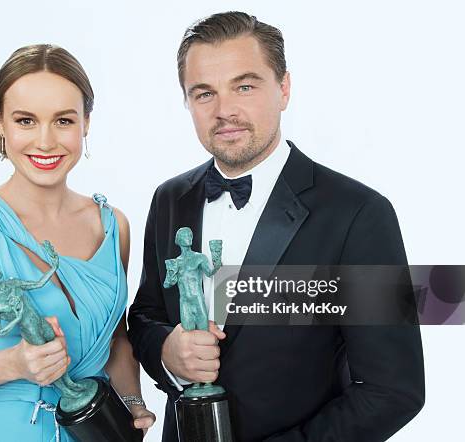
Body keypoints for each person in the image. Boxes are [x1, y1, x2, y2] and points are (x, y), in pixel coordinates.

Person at [127, 11, 424, 442]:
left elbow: (393, 391)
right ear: (187, 101)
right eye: (204, 93)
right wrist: (167, 352)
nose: (224, 110)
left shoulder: (360, 214)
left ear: (283, 88)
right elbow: (147, 314)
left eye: (244, 86)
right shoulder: (170, 198)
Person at [0, 44, 155, 441]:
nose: (45, 142)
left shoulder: (113, 226)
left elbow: (116, 339)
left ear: (86, 123)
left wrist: (130, 403)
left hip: (99, 431)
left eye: (63, 120)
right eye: (26, 120)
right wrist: (15, 363)